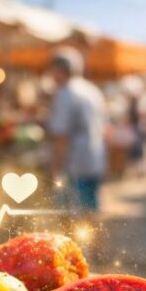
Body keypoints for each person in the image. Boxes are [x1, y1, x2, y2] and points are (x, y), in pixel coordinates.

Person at [48, 46, 107, 214]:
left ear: (60, 70)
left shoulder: (65, 94)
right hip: (95, 157)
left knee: (73, 217)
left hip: (75, 163)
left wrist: (56, 169)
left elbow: (61, 137)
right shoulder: (92, 90)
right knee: (91, 210)